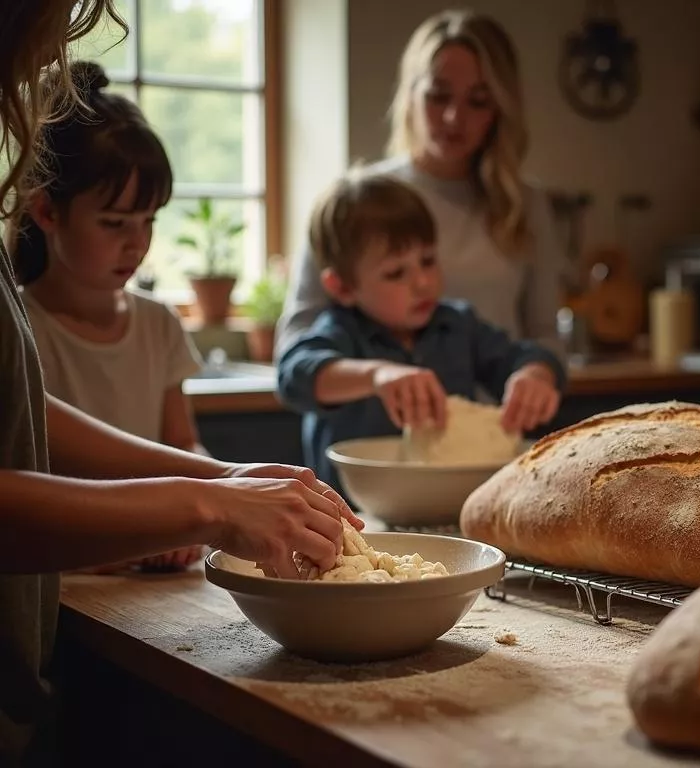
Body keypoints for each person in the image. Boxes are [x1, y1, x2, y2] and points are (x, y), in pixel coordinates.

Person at [0, 4, 361, 764]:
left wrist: (220, 478)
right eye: (54, 19)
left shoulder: (153, 324)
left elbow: (27, 410)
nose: (60, 42)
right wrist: (208, 503)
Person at [276, 9, 570, 361]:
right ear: (410, 95)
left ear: (499, 109)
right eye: (438, 95)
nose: (454, 118)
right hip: (376, 414)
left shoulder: (525, 204)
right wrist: (375, 377)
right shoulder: (356, 202)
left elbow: (545, 336)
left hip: (495, 414)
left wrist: (537, 374)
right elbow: (295, 347)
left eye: (477, 101)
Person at [10, 61, 206, 572]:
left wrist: (201, 507)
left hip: (156, 566)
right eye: (115, 222)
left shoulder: (159, 323)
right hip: (70, 572)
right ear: (47, 212)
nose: (136, 242)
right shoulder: (23, 330)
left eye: (148, 222)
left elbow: (182, 440)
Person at [277, 172, 565, 490]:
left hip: (453, 508)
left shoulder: (458, 325)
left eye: (427, 261)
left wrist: (535, 375)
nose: (423, 283)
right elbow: (295, 374)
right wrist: (376, 375)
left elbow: (523, 355)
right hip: (353, 519)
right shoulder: (340, 331)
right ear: (343, 287)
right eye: (396, 273)